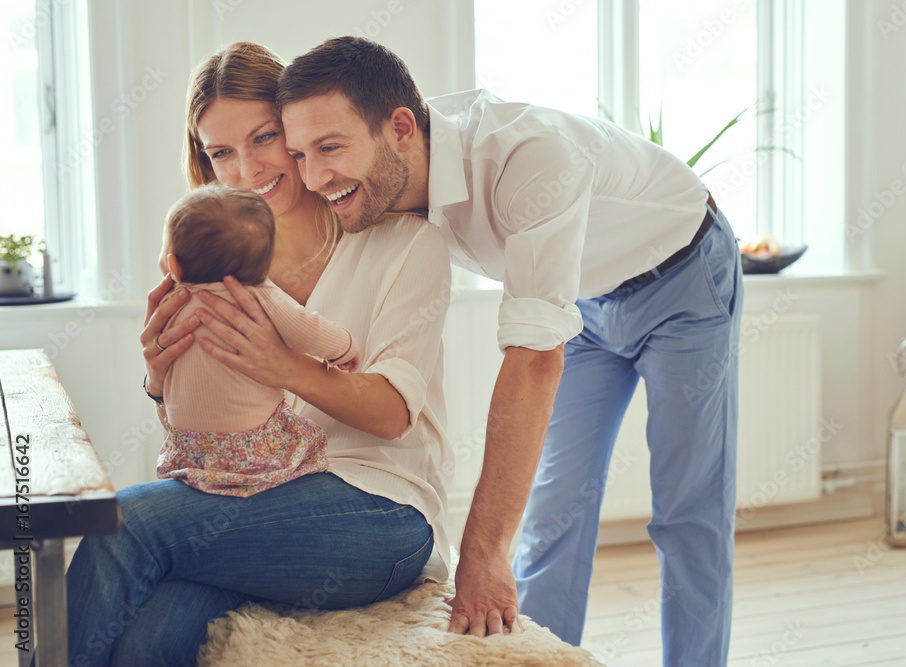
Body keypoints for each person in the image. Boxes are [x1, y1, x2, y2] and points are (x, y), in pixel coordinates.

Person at [275, 36, 744, 665]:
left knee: (687, 514)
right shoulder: (385, 177)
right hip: (582, 300)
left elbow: (532, 357)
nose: (313, 176)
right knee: (555, 509)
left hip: (684, 275)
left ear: (402, 129)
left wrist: (481, 553)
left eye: (329, 148)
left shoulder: (529, 161)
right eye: (301, 153)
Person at [60, 42, 453, 667]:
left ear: (295, 129)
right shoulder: (213, 257)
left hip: (379, 514)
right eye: (220, 151)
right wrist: (160, 380)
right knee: (146, 637)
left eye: (264, 137)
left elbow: (391, 414)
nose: (243, 168)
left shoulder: (403, 242)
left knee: (127, 522)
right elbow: (209, 420)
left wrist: (286, 366)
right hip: (249, 507)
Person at [155, 183, 359, 498]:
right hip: (256, 457)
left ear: (175, 265)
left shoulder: (169, 303)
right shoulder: (257, 295)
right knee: (310, 437)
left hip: (191, 453)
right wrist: (345, 348)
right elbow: (309, 331)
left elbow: (163, 376)